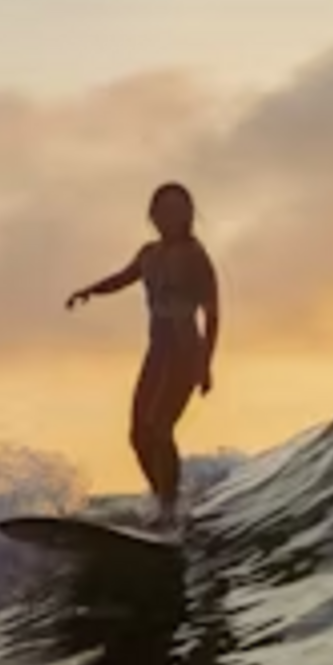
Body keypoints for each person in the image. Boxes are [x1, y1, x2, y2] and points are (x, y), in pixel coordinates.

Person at [66, 182, 219, 523]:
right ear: (153, 214)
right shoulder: (149, 255)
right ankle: (163, 498)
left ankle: (169, 509)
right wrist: (89, 290)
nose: (171, 216)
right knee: (138, 435)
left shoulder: (196, 256)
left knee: (161, 428)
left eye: (179, 209)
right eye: (164, 209)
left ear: (189, 215)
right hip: (157, 352)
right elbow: (122, 278)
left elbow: (213, 313)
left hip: (184, 352)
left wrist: (205, 364)